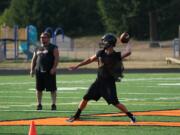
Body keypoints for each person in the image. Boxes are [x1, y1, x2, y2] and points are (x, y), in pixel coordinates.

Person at [67, 33, 136, 123]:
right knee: (85, 97)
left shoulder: (116, 55)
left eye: (105, 41)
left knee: (115, 102)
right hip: (98, 82)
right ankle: (76, 116)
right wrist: (77, 66)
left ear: (110, 43)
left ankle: (131, 116)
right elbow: (90, 59)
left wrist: (127, 41)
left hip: (109, 84)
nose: (103, 43)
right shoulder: (100, 53)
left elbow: (128, 52)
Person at [30, 32, 59, 111]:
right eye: (41, 37)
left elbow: (56, 58)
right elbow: (34, 59)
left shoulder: (53, 47)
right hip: (39, 71)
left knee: (52, 89)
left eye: (44, 37)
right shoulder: (37, 48)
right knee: (38, 89)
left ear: (48, 38)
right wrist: (32, 69)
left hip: (49, 71)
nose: (42, 39)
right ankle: (39, 104)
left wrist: (54, 68)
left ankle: (53, 104)